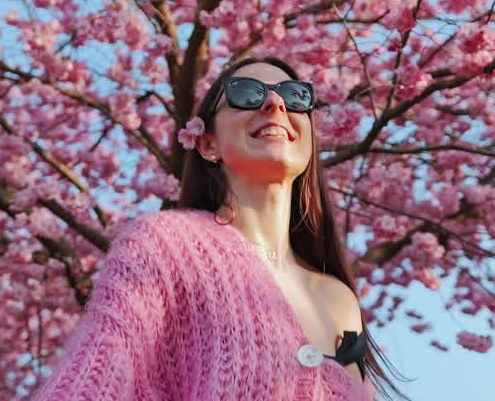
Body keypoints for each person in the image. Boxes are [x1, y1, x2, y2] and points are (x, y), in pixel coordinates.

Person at [30, 57, 411, 400]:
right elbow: (97, 372)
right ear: (208, 144)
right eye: (247, 94)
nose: (275, 104)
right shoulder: (163, 245)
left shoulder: (339, 299)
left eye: (295, 97)